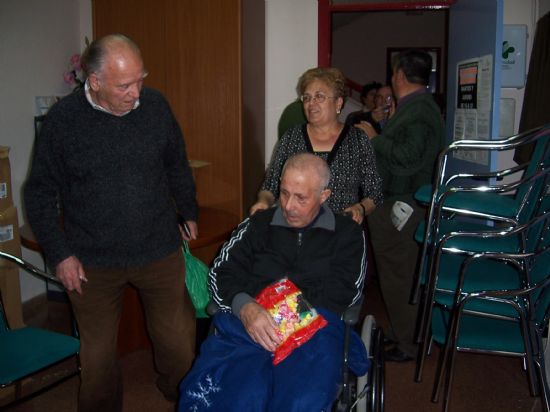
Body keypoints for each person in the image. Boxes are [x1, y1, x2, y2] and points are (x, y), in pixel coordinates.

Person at [24, 34, 198, 411]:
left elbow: (176, 164)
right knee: (98, 360)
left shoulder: (155, 106)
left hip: (157, 248)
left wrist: (188, 210)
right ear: (94, 80)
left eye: (141, 79)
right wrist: (61, 254)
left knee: (180, 344)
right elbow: (38, 193)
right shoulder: (63, 122)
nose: (137, 93)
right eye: (125, 85)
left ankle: (178, 395)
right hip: (92, 262)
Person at [178, 153, 369, 411]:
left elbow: (344, 291)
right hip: (249, 326)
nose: (289, 205)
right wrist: (245, 307)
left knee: (299, 400)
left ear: (324, 196)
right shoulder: (257, 225)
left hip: (315, 329)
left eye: (301, 197)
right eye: (284, 192)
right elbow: (222, 271)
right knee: (234, 397)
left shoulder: (347, 233)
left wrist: (283, 318)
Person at [362, 49, 445, 362]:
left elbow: (407, 159)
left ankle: (408, 344)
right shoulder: (416, 106)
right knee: (400, 275)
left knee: (399, 275)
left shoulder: (420, 110)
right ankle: (403, 333)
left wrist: (374, 137)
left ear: (399, 75)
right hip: (404, 202)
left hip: (404, 206)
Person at [250, 67, 383, 225]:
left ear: (338, 102)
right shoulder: (292, 137)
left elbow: (375, 192)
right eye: (306, 98)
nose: (311, 103)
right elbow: (270, 186)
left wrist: (360, 208)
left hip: (339, 230)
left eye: (319, 96)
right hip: (294, 229)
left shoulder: (357, 140)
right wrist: (263, 202)